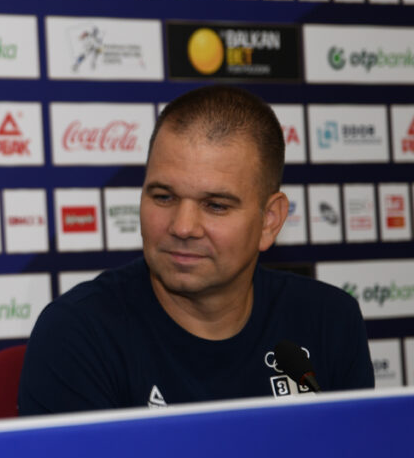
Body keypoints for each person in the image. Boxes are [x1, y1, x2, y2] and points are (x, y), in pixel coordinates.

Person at [19, 85, 373, 414]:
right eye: (163, 197)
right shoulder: (78, 333)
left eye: (216, 205)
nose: (182, 227)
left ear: (270, 220)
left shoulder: (330, 320)